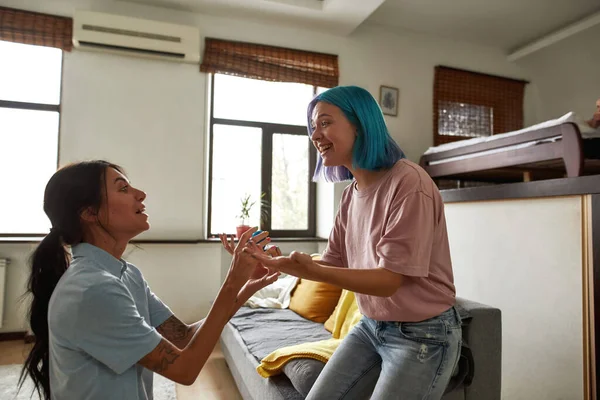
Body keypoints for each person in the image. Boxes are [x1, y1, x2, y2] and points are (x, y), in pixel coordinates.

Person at [246, 86, 461, 399]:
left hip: (423, 335)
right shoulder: (351, 194)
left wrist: (311, 270)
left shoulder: (409, 183)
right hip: (371, 325)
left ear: (359, 124)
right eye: (312, 127)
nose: (315, 135)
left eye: (325, 123)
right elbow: (333, 262)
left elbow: (389, 281)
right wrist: (281, 264)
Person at [19, 160, 278, 400]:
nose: (140, 194)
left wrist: (243, 290)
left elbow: (184, 337)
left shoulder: (127, 275)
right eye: (123, 188)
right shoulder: (91, 289)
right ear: (89, 212)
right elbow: (185, 369)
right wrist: (232, 280)